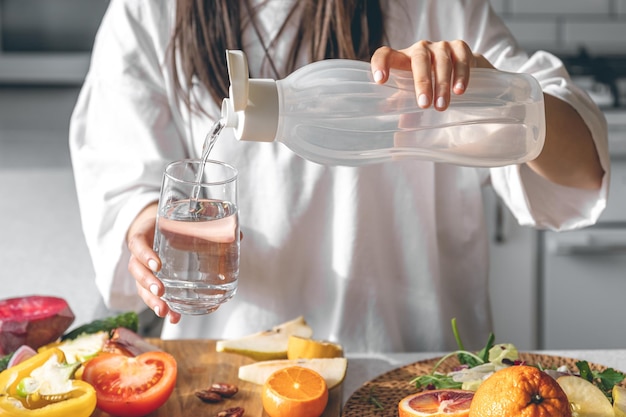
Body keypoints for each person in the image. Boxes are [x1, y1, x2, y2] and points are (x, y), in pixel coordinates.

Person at [70, 0, 608, 352]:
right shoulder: (150, 13)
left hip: (412, 364)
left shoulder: (434, 9)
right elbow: (121, 176)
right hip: (230, 370)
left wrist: (497, 100)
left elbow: (582, 170)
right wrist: (143, 224)